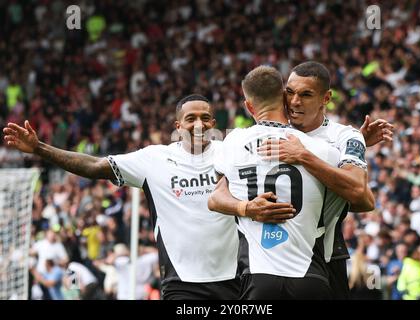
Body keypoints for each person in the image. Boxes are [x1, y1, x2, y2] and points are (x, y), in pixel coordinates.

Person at [3, 94, 294, 300]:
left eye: (205, 118)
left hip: (237, 277)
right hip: (182, 283)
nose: (198, 124)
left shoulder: (231, 151)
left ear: (214, 123)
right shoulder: (154, 158)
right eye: (190, 118)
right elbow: (94, 166)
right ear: (177, 126)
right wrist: (40, 148)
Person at [209, 61, 391, 299]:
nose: (295, 102)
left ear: (326, 98)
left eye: (306, 95)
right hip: (271, 260)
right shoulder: (267, 136)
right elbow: (217, 195)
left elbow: (362, 198)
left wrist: (304, 157)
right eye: (290, 93)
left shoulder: (344, 137)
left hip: (325, 256)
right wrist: (246, 207)